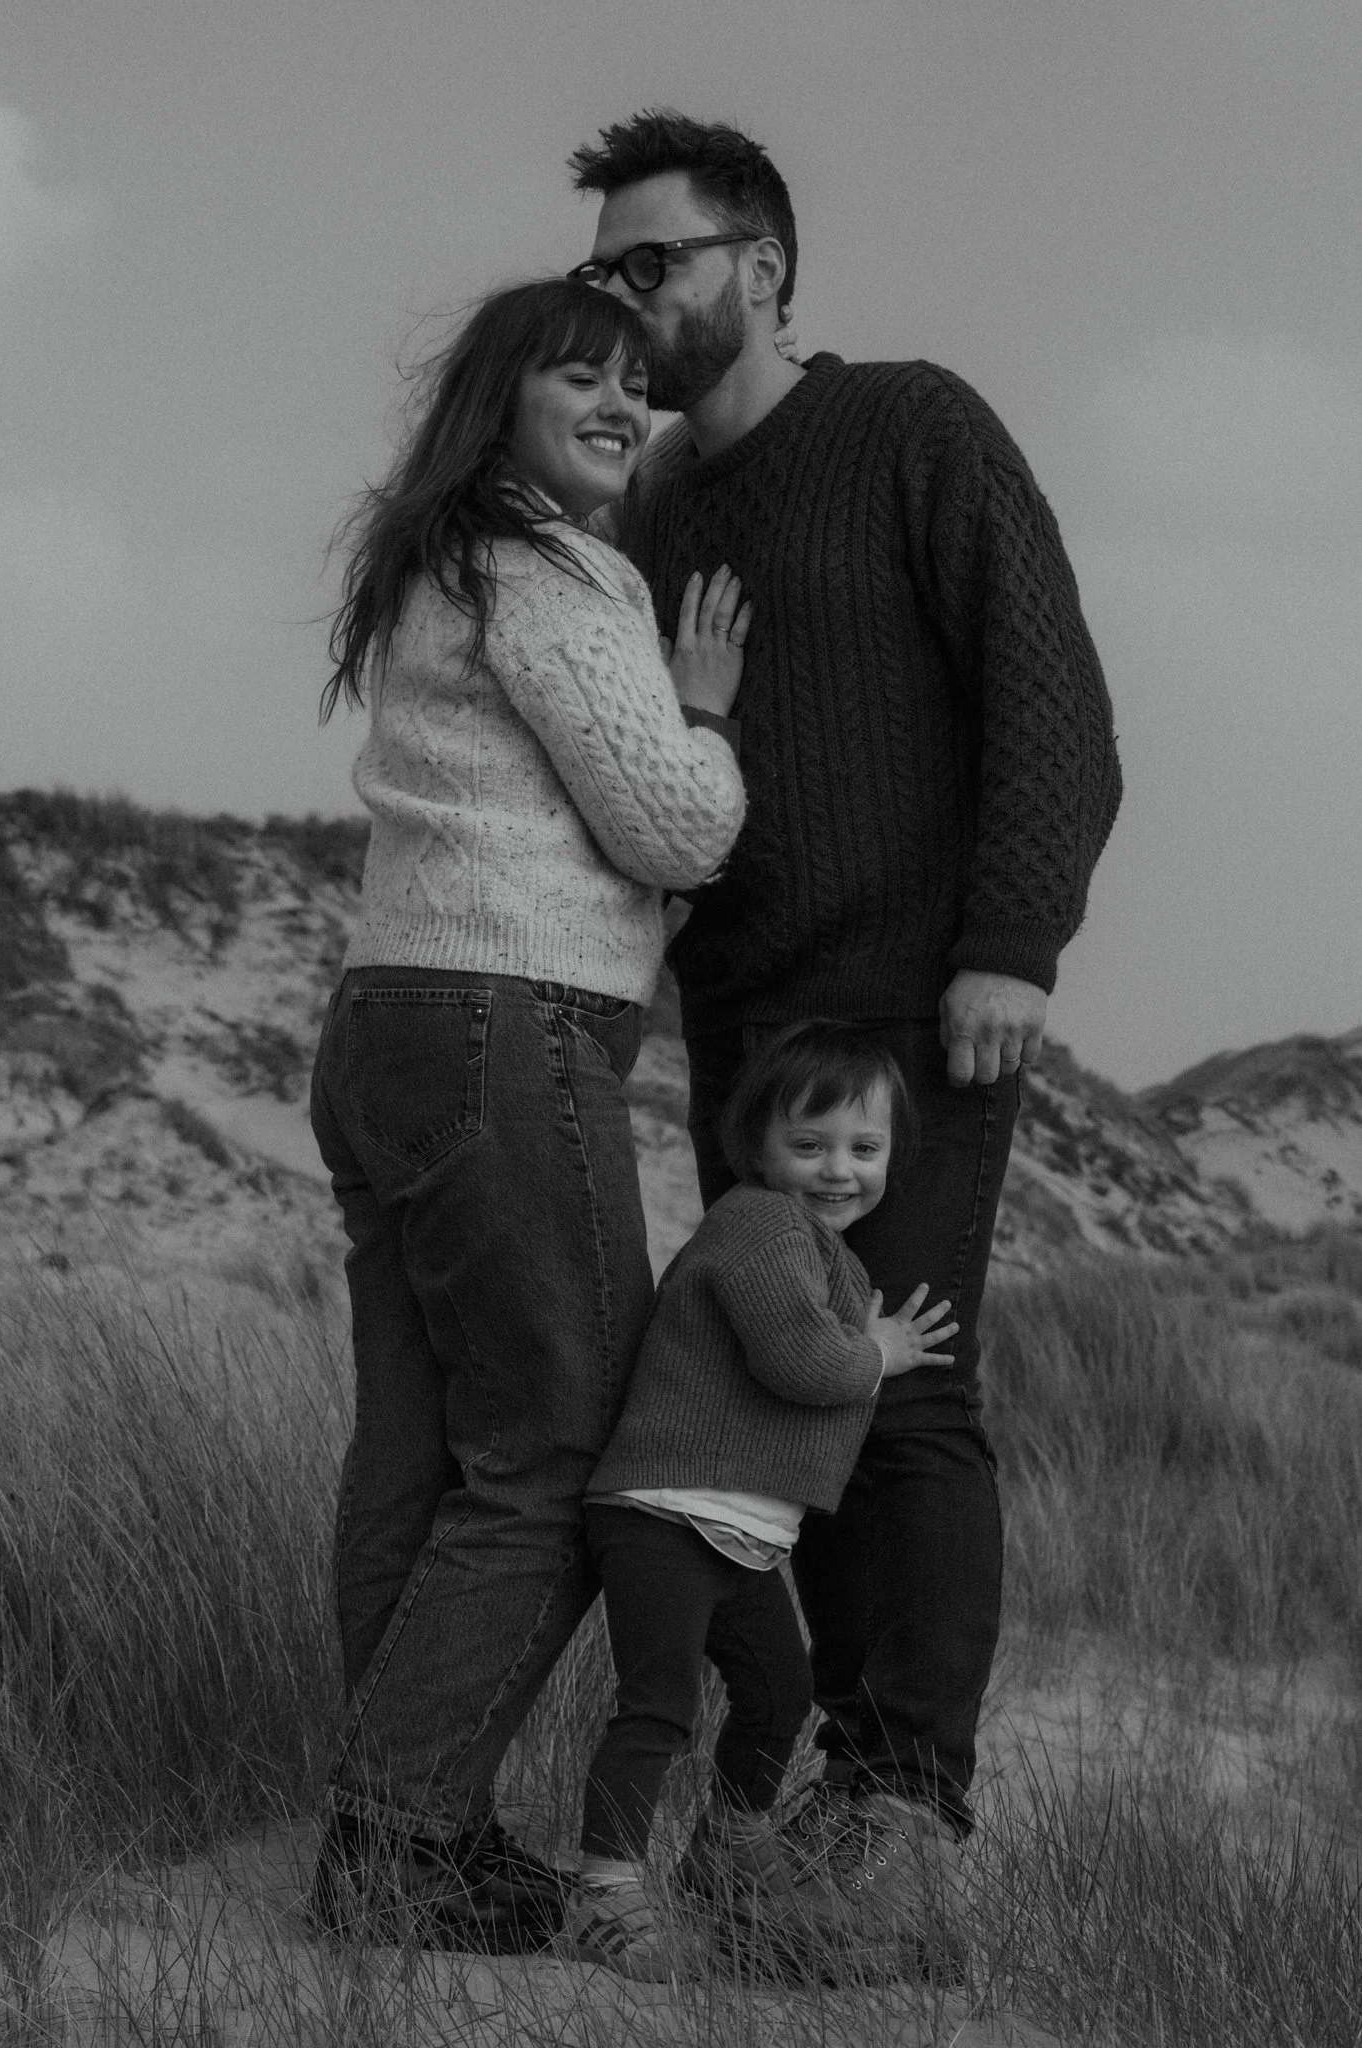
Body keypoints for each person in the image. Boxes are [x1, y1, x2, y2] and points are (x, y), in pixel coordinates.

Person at [565, 112, 1123, 1962]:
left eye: (657, 263)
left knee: (911, 1389)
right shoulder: (645, 508)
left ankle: (908, 1802)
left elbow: (1050, 686)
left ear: (764, 265)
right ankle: (818, 1778)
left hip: (915, 1014)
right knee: (782, 1387)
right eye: (607, 272)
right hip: (740, 1025)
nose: (628, 298)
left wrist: (1011, 946)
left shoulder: (913, 426)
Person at [307, 277, 749, 1949]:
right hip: (502, 1025)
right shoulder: (552, 569)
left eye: (643, 384)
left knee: (421, 1461)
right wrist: (703, 707)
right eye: (588, 375)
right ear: (503, 396)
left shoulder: (443, 557)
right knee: (570, 1449)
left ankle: (410, 1833)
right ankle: (394, 1838)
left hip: (390, 1020)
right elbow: (673, 826)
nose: (627, 405)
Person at [563, 1022, 960, 1981]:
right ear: (757, 1147)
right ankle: (604, 1891)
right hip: (663, 1508)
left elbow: (815, 1382)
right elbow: (800, 1363)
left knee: (779, 1693)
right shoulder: (757, 1224)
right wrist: (878, 1355)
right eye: (809, 1144)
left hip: (737, 1529)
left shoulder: (828, 1258)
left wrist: (859, 1339)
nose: (837, 1170)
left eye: (863, 1149)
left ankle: (727, 1850)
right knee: (656, 1709)